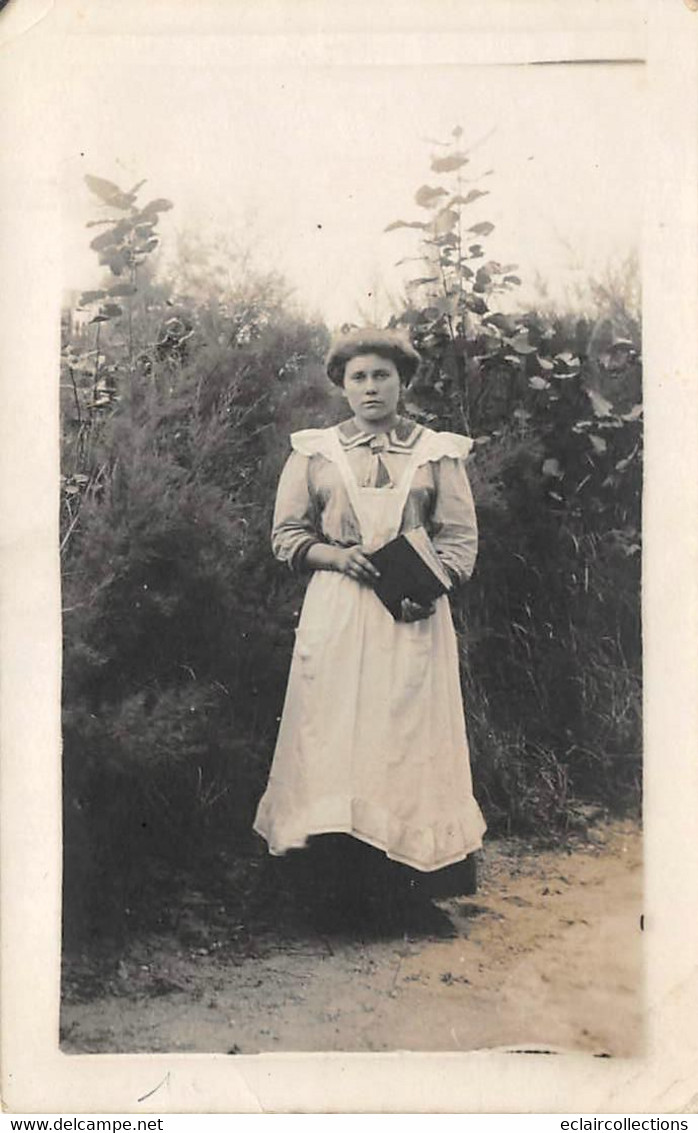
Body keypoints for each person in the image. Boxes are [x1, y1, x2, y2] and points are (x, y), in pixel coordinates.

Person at [253, 328, 486, 919]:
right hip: (338, 611)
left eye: (382, 375)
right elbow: (287, 536)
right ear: (342, 386)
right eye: (358, 377)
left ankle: (403, 895)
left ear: (403, 381)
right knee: (331, 737)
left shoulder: (437, 452)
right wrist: (337, 556)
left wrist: (429, 591)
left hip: (410, 616)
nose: (371, 387)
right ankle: (327, 892)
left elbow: (458, 540)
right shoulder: (315, 452)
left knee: (403, 741)